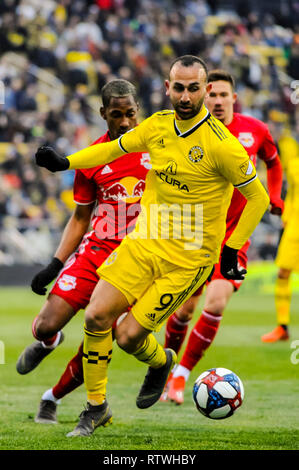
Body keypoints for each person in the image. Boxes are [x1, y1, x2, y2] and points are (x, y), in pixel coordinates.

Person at [35, 55, 270, 437]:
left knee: (128, 337)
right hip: (143, 244)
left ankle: (162, 363)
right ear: (167, 88)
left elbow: (257, 198)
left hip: (188, 260)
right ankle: (96, 408)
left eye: (194, 88)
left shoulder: (223, 146)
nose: (185, 95)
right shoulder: (157, 126)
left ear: (206, 91)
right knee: (96, 318)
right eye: (178, 87)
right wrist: (66, 162)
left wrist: (232, 248)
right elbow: (111, 150)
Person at [16, 79, 150, 422]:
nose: (124, 122)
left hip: (135, 263)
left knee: (98, 333)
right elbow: (80, 217)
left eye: (130, 114)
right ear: (103, 113)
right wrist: (55, 264)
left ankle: (53, 396)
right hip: (94, 253)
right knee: (45, 325)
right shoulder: (91, 157)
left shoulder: (157, 150)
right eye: (116, 114)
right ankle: (49, 342)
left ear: (138, 112)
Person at [161, 69, 284, 405]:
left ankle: (181, 377)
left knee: (215, 302)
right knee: (183, 311)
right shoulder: (188, 129)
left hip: (233, 236)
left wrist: (274, 196)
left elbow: (273, 163)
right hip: (195, 233)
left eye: (222, 96)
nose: (216, 101)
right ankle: (165, 371)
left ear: (233, 98)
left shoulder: (255, 130)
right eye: (211, 95)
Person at [261, 130, 299, 342]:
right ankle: (282, 327)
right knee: (283, 272)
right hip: (295, 225)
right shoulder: (294, 161)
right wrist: (287, 213)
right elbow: (293, 192)